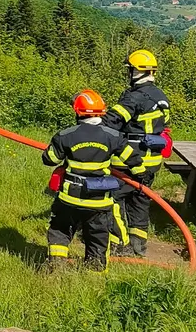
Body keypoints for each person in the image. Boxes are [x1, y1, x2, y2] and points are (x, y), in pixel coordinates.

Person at [42, 90, 141, 270]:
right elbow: (134, 161)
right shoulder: (113, 136)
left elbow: (49, 159)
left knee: (60, 230)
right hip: (99, 200)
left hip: (69, 198)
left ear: (77, 111)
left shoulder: (65, 135)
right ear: (102, 111)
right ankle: (94, 274)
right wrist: (140, 176)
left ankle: (56, 265)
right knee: (97, 236)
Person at [108, 49, 172, 258]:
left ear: (136, 71)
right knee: (140, 200)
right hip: (152, 160)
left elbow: (112, 121)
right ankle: (138, 245)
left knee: (111, 198)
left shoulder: (134, 98)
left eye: (130, 70)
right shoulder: (160, 96)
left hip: (129, 161)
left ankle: (120, 244)